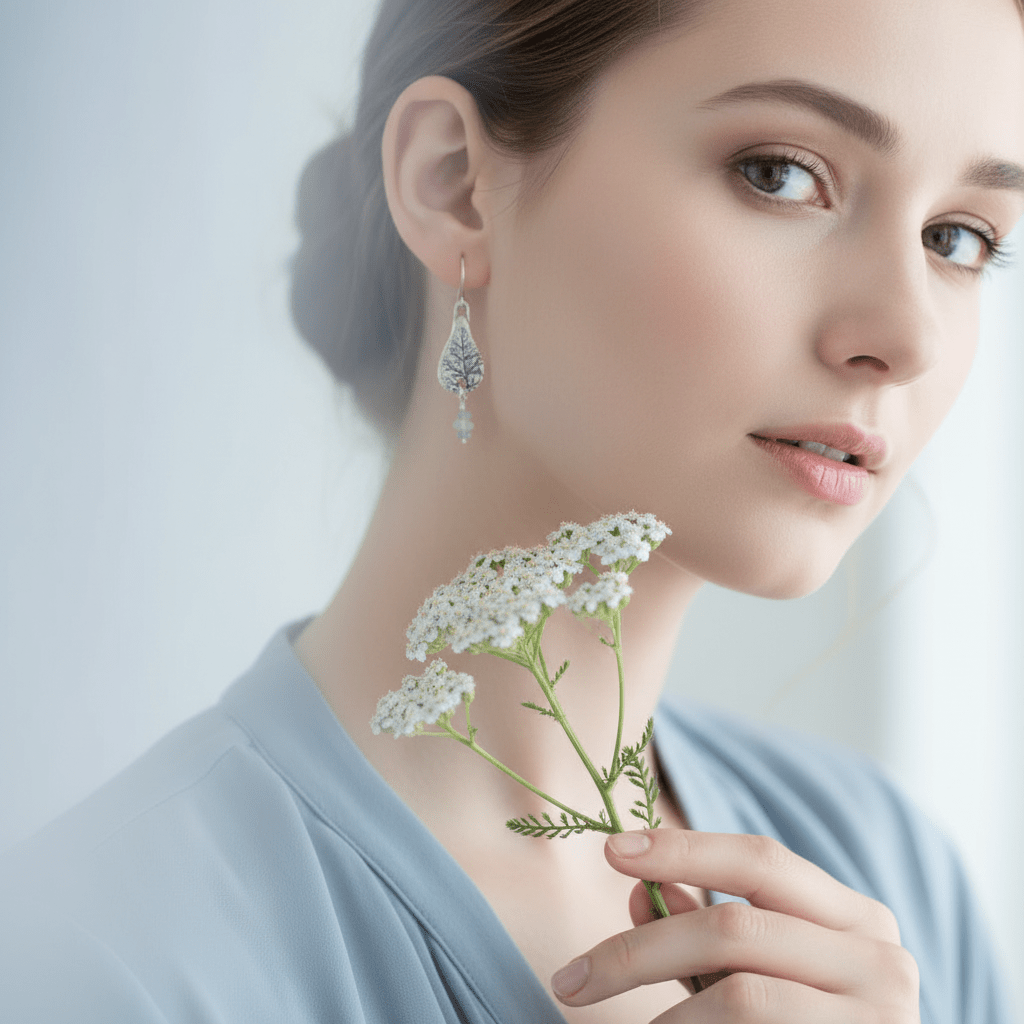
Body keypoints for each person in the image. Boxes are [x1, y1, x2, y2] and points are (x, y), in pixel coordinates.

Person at [2, 0, 1022, 1020]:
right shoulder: (106, 963)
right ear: (452, 182)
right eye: (780, 175)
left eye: (960, 238)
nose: (909, 336)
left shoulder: (894, 884)